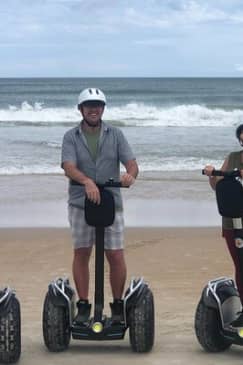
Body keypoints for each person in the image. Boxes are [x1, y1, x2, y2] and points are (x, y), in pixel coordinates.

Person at [61, 87, 138, 324]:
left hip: (110, 203)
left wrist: (130, 175)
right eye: (88, 105)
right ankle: (84, 305)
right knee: (82, 253)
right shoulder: (70, 136)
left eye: (98, 105)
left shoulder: (115, 134)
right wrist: (86, 181)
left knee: (115, 255)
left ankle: (116, 306)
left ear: (103, 109)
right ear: (81, 109)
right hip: (80, 204)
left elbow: (132, 163)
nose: (93, 109)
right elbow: (68, 166)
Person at [204, 124, 243, 326]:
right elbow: (218, 185)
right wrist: (213, 174)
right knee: (240, 265)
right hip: (232, 221)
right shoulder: (233, 157)